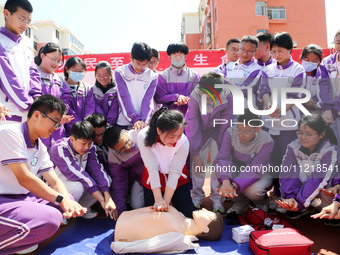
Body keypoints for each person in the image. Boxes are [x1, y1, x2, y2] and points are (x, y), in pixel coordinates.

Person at [0, 95, 86, 255]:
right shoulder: (10, 133)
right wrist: (61, 200)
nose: (56, 126)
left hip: (21, 198)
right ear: (37, 115)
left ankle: (20, 237)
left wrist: (65, 200)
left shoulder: (39, 146)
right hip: (4, 199)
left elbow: (54, 180)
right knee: (52, 216)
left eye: (59, 123)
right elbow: (25, 178)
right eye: (54, 121)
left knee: (67, 201)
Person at [260, 32, 306, 198]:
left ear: (290, 50)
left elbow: (295, 94)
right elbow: (263, 90)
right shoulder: (268, 69)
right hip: (269, 122)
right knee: (273, 160)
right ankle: (277, 194)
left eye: (280, 51)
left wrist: (279, 110)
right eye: (274, 51)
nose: (276, 55)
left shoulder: (297, 69)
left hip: (289, 123)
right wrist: (268, 106)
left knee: (288, 161)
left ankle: (290, 196)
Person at [49, 121, 118, 224]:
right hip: (56, 188)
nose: (86, 147)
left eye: (90, 143)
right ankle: (61, 213)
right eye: (83, 143)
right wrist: (102, 201)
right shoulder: (59, 148)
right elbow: (77, 173)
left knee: (105, 182)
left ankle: (82, 209)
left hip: (79, 182)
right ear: (72, 139)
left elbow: (97, 170)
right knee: (78, 187)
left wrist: (108, 197)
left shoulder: (91, 148)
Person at [187, 72, 233, 213]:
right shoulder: (195, 95)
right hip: (200, 130)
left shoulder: (228, 96)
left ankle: (217, 199)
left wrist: (221, 150)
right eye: (203, 95)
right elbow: (192, 124)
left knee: (216, 165)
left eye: (209, 97)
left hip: (219, 131)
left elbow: (226, 125)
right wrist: (195, 154)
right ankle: (197, 196)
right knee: (198, 166)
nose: (205, 99)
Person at [214, 109, 274, 216]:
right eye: (239, 129)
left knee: (254, 191)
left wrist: (234, 184)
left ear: (257, 129)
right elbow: (224, 157)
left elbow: (256, 168)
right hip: (238, 167)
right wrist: (226, 181)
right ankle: (241, 203)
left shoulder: (267, 140)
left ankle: (261, 203)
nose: (241, 135)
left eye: (247, 131)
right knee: (218, 175)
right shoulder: (230, 132)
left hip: (260, 172)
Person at [138, 108, 194, 218]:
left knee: (186, 216)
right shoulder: (143, 136)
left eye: (179, 135)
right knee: (153, 219)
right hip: (152, 180)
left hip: (177, 181)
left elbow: (175, 171)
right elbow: (152, 168)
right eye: (172, 136)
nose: (175, 140)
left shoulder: (183, 141)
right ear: (159, 130)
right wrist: (158, 199)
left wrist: (165, 203)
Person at [279, 115, 339, 219]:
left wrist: (300, 203)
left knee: (327, 191)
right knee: (294, 170)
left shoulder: (330, 151)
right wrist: (290, 198)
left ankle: (331, 211)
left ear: (321, 135)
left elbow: (318, 178)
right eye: (300, 133)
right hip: (305, 181)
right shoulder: (293, 146)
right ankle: (303, 204)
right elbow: (286, 172)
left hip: (325, 184)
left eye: (308, 134)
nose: (303, 137)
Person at [111, 206, 223, 253]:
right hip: (123, 219)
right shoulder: (181, 218)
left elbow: (151, 245)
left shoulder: (177, 234)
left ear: (205, 228)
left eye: (208, 213)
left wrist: (123, 245)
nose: (203, 209)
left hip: (122, 231)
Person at [0, 0, 41, 125]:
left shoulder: (25, 48)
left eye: (28, 21)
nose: (25, 25)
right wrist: (29, 104)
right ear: (6, 13)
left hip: (26, 116)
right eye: (22, 19)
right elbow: (7, 78)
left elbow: (34, 76)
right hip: (6, 114)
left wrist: (37, 100)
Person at [34, 42, 73, 149]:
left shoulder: (59, 79)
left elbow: (66, 97)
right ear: (42, 56)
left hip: (57, 128)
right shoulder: (33, 74)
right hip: (40, 125)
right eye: (53, 59)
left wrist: (61, 114)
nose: (56, 63)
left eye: (59, 61)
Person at [114, 42, 158, 130]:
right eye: (138, 63)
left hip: (143, 123)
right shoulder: (120, 72)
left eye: (144, 64)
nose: (140, 67)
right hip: (124, 122)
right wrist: (135, 119)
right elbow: (124, 97)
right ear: (131, 58)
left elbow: (148, 100)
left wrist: (143, 120)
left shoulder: (152, 76)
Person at [103, 126, 144, 214]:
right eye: (121, 149)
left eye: (127, 142)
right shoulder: (113, 156)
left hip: (157, 174)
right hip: (140, 178)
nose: (128, 148)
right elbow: (119, 182)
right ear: (111, 149)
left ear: (125, 132)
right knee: (136, 205)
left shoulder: (140, 135)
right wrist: (121, 211)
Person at [226, 35, 270, 110]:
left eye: (250, 51)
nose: (245, 54)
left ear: (255, 52)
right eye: (243, 49)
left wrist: (226, 84)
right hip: (228, 110)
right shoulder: (229, 66)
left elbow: (243, 90)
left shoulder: (256, 70)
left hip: (246, 112)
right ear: (239, 48)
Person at [154, 42, 199, 116]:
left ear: (185, 56)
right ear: (169, 57)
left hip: (190, 115)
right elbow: (159, 97)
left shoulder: (194, 76)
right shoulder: (163, 76)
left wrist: (186, 99)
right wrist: (176, 97)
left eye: (180, 55)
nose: (178, 58)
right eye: (174, 55)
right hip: (169, 116)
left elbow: (199, 96)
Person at [61, 57, 96, 136]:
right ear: (67, 69)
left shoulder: (87, 88)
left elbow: (90, 108)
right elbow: (65, 109)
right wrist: (76, 125)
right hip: (66, 129)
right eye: (74, 70)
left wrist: (85, 125)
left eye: (80, 71)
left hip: (84, 130)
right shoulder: (60, 86)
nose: (77, 73)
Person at [300, 44, 333, 121]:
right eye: (307, 60)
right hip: (300, 112)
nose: (310, 63)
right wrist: (305, 97)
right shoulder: (296, 72)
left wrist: (322, 106)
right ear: (301, 58)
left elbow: (325, 90)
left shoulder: (322, 73)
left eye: (314, 61)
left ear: (319, 61)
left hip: (318, 112)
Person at [322, 30, 340, 143]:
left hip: (334, 110)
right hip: (331, 114)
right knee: (333, 146)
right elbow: (324, 84)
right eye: (338, 42)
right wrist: (327, 108)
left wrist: (334, 109)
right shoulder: (327, 61)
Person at [93, 61, 118, 127]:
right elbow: (95, 108)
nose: (102, 78)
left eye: (105, 75)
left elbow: (114, 111)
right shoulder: (92, 91)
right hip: (98, 126)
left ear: (111, 74)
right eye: (98, 75)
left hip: (114, 126)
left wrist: (108, 125)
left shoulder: (117, 91)